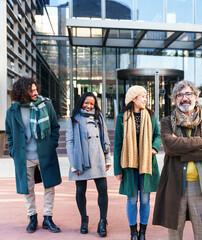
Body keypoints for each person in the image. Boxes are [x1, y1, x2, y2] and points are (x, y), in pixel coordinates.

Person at [153, 80, 202, 240]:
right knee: (174, 232)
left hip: (201, 185)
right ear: (175, 99)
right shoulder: (167, 122)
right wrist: (199, 142)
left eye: (188, 94)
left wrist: (180, 151)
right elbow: (169, 147)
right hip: (175, 184)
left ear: (196, 96)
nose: (184, 98)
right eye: (179, 95)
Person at [5, 77, 62, 233]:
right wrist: (13, 150)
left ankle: (48, 218)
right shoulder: (12, 111)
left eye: (36, 89)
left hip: (45, 153)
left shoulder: (46, 105)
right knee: (28, 188)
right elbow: (9, 133)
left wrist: (52, 144)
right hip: (24, 157)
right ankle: (32, 217)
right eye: (32, 90)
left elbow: (55, 127)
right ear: (23, 92)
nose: (36, 92)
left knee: (49, 186)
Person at [113, 86, 161, 240]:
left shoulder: (150, 116)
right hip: (129, 165)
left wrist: (154, 147)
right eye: (143, 96)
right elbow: (118, 144)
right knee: (132, 199)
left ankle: (143, 233)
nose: (145, 99)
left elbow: (157, 136)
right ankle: (133, 232)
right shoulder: (122, 117)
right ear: (133, 99)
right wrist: (117, 169)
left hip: (146, 163)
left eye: (146, 96)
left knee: (146, 199)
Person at [66, 92, 111, 237]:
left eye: (92, 104)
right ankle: (83, 220)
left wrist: (108, 158)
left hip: (97, 158)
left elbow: (105, 139)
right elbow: (69, 142)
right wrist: (73, 164)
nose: (89, 106)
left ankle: (103, 221)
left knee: (103, 190)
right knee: (80, 190)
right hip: (80, 160)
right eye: (86, 103)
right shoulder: (73, 119)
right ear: (81, 103)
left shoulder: (99, 117)